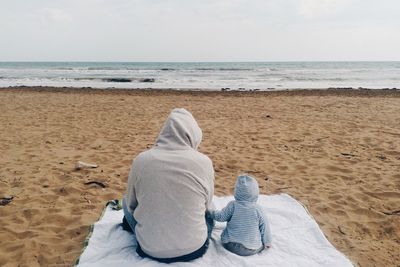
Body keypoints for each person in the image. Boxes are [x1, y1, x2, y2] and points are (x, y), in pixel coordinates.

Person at [122, 108, 215, 263]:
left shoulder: (141, 160)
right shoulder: (204, 162)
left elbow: (131, 205)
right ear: (194, 134)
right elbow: (206, 205)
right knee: (210, 215)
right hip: (194, 249)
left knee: (124, 202)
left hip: (149, 248)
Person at [210, 174, 272, 256]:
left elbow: (221, 217)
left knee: (228, 233)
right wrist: (267, 242)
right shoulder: (258, 209)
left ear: (236, 191)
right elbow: (265, 227)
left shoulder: (232, 205)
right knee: (260, 244)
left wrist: (211, 212)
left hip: (229, 244)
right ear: (256, 192)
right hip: (250, 249)